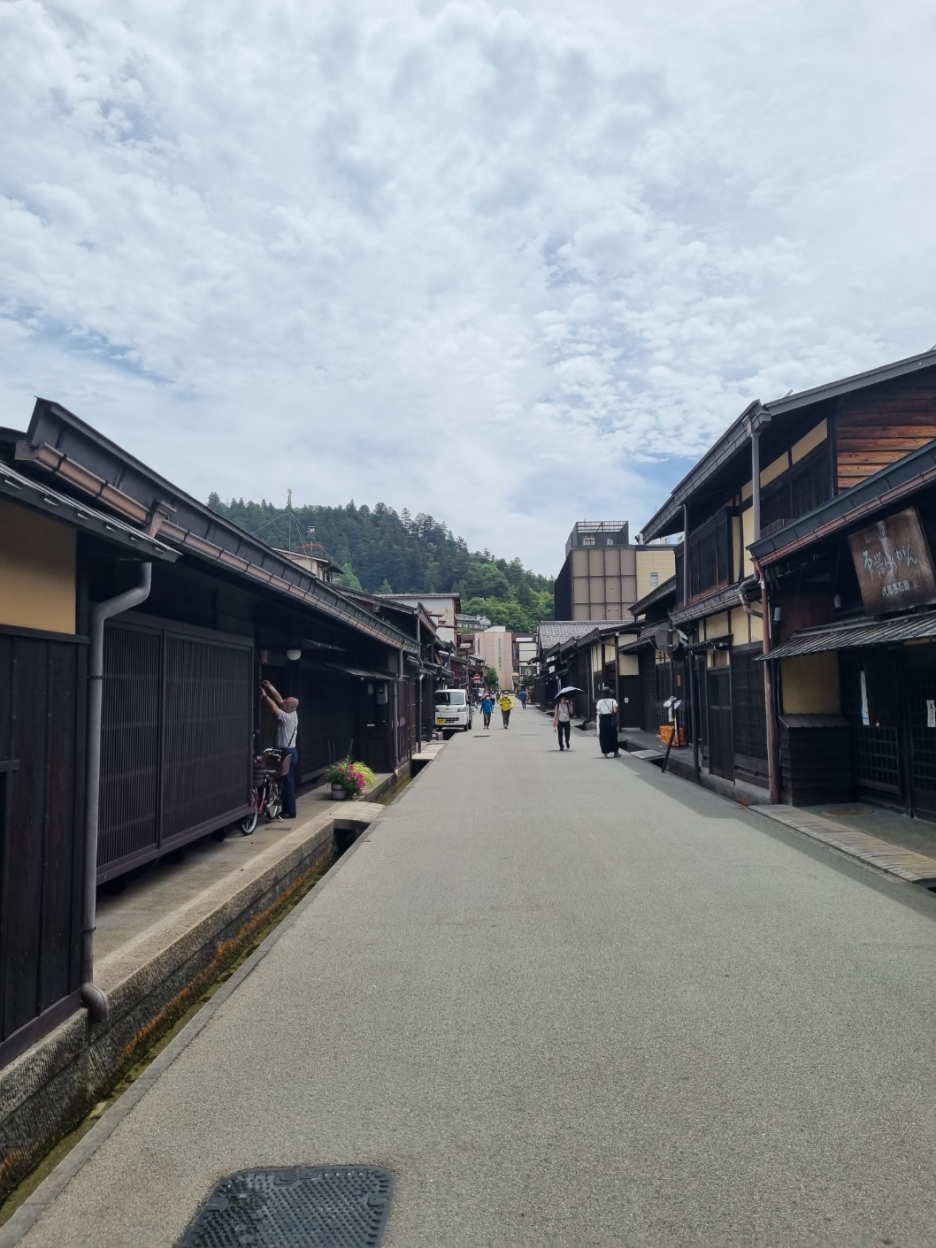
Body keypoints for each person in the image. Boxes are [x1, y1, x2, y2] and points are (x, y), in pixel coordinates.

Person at [260, 680, 299, 818]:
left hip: (287, 753)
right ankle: (285, 808)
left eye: (285, 704)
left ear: (289, 707)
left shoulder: (288, 717)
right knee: (284, 781)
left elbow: (274, 707)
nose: (283, 703)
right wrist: (270, 687)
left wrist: (264, 695)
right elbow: (278, 699)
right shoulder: (290, 710)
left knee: (287, 782)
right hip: (285, 751)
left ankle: (290, 811)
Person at [596, 686, 620, 758]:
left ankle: (605, 753)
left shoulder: (600, 702)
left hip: (603, 719)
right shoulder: (613, 701)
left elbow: (598, 710)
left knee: (603, 735)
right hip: (611, 718)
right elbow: (615, 710)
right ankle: (615, 752)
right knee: (613, 735)